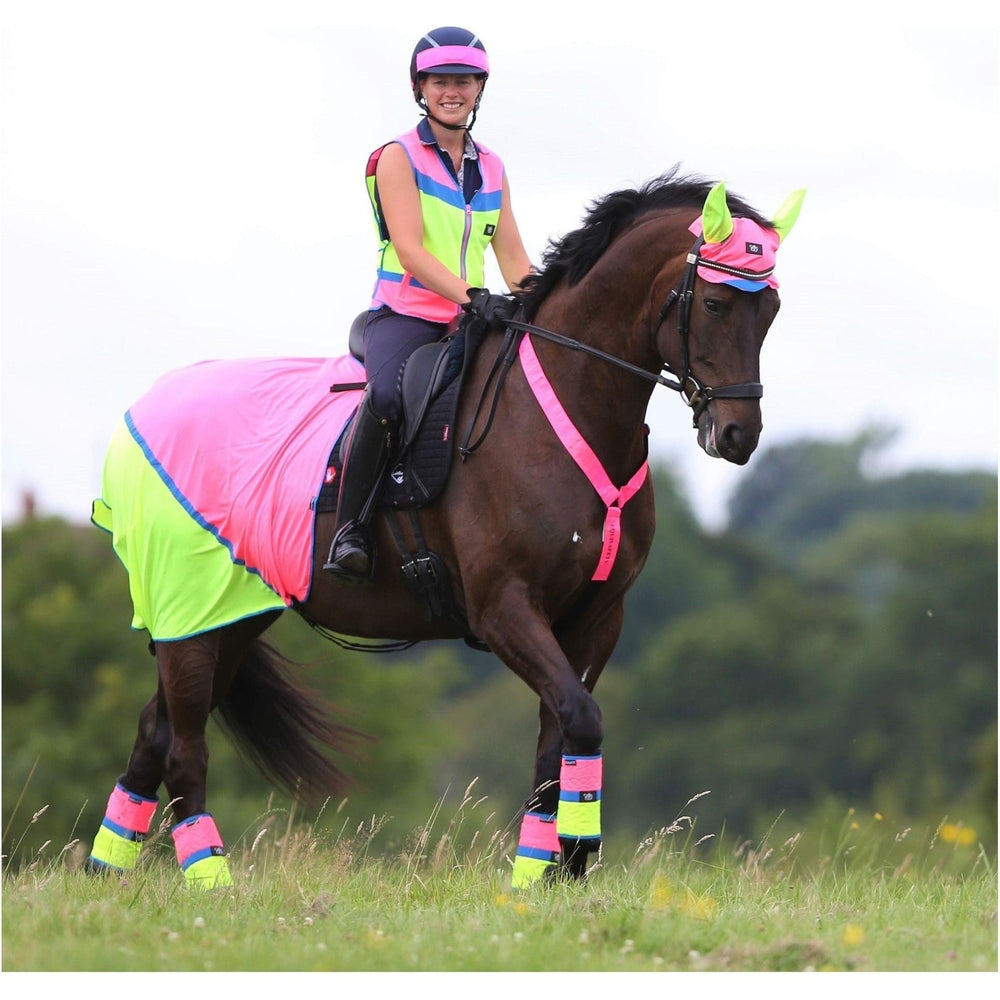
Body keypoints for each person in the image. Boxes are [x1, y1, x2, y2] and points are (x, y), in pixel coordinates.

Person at [324, 26, 534, 582]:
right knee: (389, 396)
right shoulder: (397, 157)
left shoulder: (492, 167)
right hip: (405, 316)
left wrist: (547, 299)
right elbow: (411, 250)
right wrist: (473, 297)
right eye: (440, 81)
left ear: (478, 89)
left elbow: (513, 258)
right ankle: (352, 528)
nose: (452, 91)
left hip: (473, 319)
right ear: (421, 88)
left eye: (463, 81)